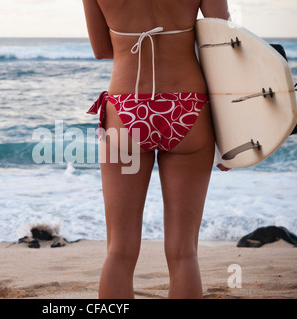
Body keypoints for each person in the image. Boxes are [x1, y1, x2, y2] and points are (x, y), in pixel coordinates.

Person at [83, 0, 231, 299]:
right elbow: (222, 40)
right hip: (187, 105)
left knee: (119, 251)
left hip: (127, 106)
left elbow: (101, 50)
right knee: (184, 252)